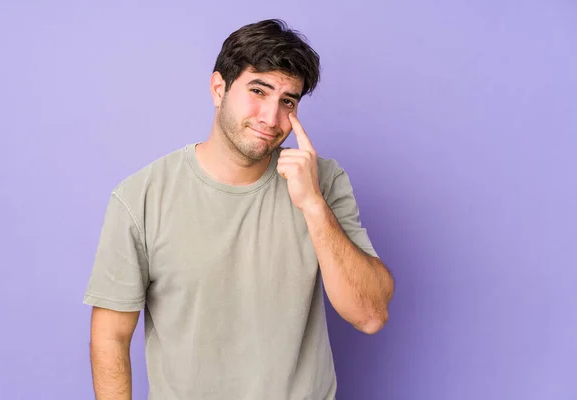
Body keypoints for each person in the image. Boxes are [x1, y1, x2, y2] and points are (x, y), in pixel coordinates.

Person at [83, 18, 394, 400]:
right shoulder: (140, 197)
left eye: (288, 102)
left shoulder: (323, 182)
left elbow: (371, 315)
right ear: (219, 88)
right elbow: (110, 336)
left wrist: (312, 205)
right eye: (258, 91)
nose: (271, 118)